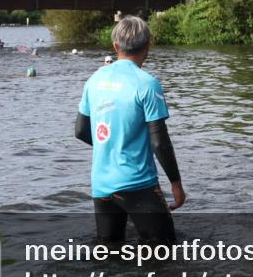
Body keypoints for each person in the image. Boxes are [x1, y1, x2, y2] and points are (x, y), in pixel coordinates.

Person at [75, 16, 186, 245]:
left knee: (110, 255)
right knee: (165, 257)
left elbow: (80, 131)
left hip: (102, 185)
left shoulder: (94, 80)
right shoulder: (147, 83)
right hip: (138, 183)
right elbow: (160, 142)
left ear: (116, 47)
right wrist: (176, 184)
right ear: (148, 45)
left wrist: (113, 145)